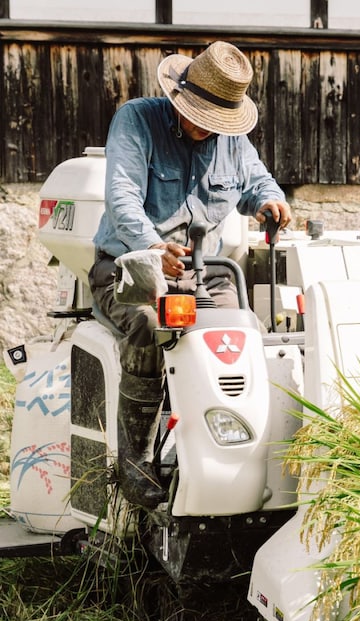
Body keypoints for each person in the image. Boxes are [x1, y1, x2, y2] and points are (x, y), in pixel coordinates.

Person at [89, 40, 292, 509]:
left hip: (204, 273)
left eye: (216, 121)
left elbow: (256, 182)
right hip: (129, 267)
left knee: (240, 336)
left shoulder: (232, 139)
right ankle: (136, 463)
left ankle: (220, 455)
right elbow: (121, 201)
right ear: (179, 95)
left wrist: (269, 201)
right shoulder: (137, 120)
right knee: (149, 325)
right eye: (199, 115)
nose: (207, 128)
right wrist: (153, 248)